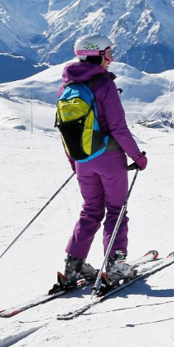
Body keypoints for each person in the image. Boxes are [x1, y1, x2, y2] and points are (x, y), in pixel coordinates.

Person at [58, 35, 148, 288]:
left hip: (83, 160)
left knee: (90, 210)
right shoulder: (103, 85)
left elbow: (66, 130)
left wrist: (75, 161)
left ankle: (73, 265)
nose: (111, 58)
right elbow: (118, 128)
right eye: (108, 53)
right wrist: (138, 158)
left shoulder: (66, 88)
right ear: (96, 55)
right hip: (108, 158)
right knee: (117, 211)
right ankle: (116, 265)